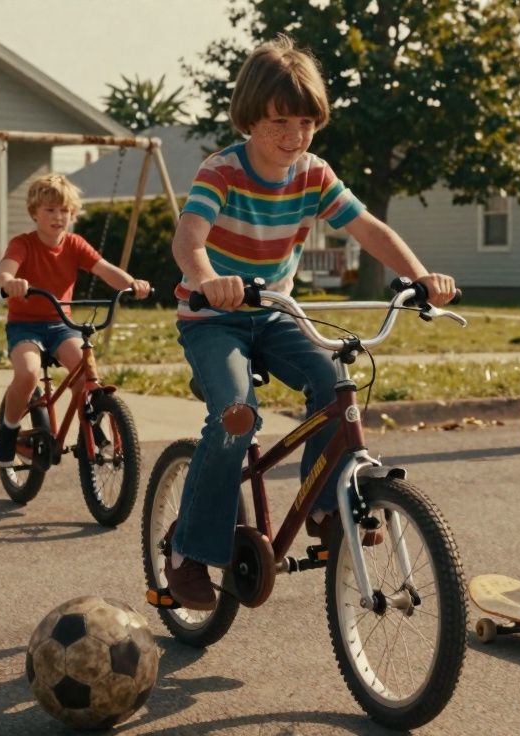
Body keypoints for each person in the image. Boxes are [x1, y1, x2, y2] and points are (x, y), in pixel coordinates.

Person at [163, 35, 457, 611]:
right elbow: (187, 239)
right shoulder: (222, 171)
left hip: (276, 315)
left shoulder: (313, 174)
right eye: (280, 122)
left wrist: (421, 277)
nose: (295, 137)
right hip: (214, 318)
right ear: (250, 117)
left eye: (306, 123)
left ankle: (324, 505)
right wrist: (206, 280)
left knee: (333, 383)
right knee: (235, 415)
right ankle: (188, 552)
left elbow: (370, 230)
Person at [0, 174, 150, 467]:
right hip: (25, 326)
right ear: (34, 213)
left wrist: (132, 284)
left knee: (85, 373)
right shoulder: (23, 244)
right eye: (49, 210)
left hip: (62, 325)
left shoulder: (75, 244)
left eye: (64, 210)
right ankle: (9, 429)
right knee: (27, 373)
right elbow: (3, 272)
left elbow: (104, 269)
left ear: (72, 214)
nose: (57, 217)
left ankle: (89, 432)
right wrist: (10, 282)